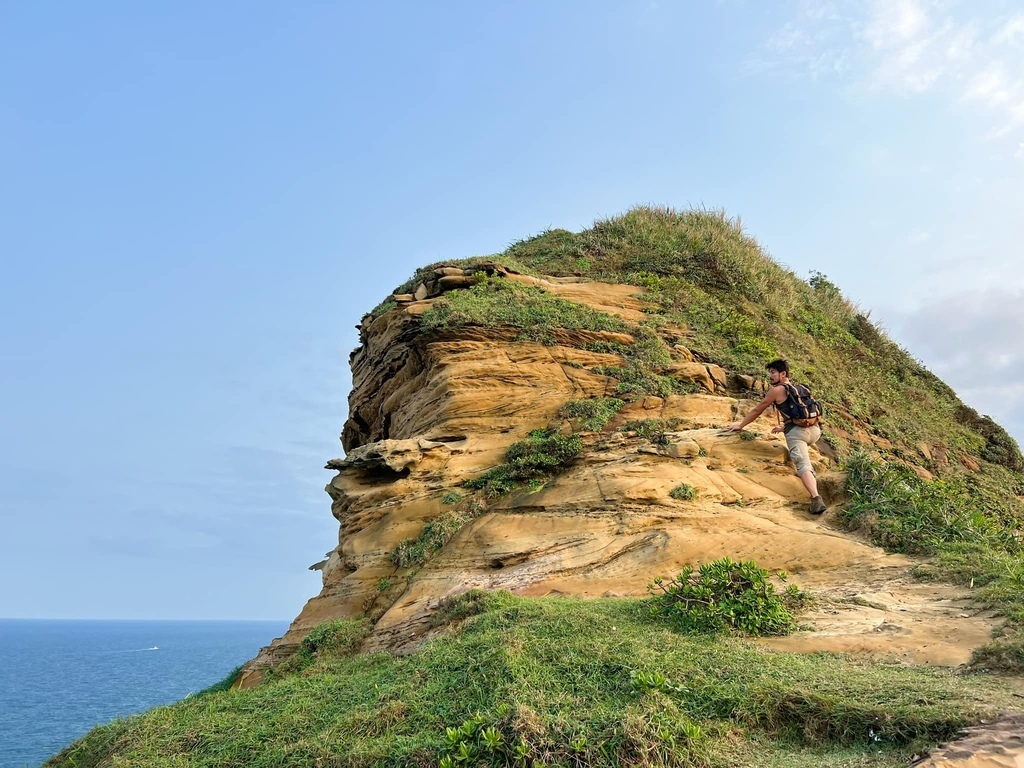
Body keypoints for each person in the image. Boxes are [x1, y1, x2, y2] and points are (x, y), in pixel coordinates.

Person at [726, 359, 827, 515]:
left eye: (773, 372)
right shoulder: (800, 388)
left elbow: (758, 410)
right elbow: (800, 411)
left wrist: (740, 425)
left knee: (803, 465)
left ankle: (816, 499)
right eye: (770, 372)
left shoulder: (777, 390)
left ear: (783, 374)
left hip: (798, 434)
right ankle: (813, 481)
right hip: (815, 431)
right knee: (803, 457)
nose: (770, 376)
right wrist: (784, 427)